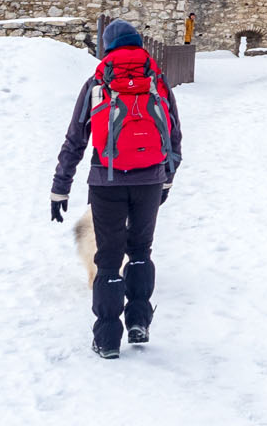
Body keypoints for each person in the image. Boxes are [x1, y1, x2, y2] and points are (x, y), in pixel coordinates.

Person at [50, 19, 183, 358]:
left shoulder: (97, 83)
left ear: (106, 47)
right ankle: (139, 322)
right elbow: (175, 135)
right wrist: (166, 178)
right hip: (150, 180)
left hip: (106, 181)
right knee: (141, 251)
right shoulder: (157, 81)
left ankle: (107, 339)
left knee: (108, 260)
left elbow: (75, 140)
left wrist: (60, 188)